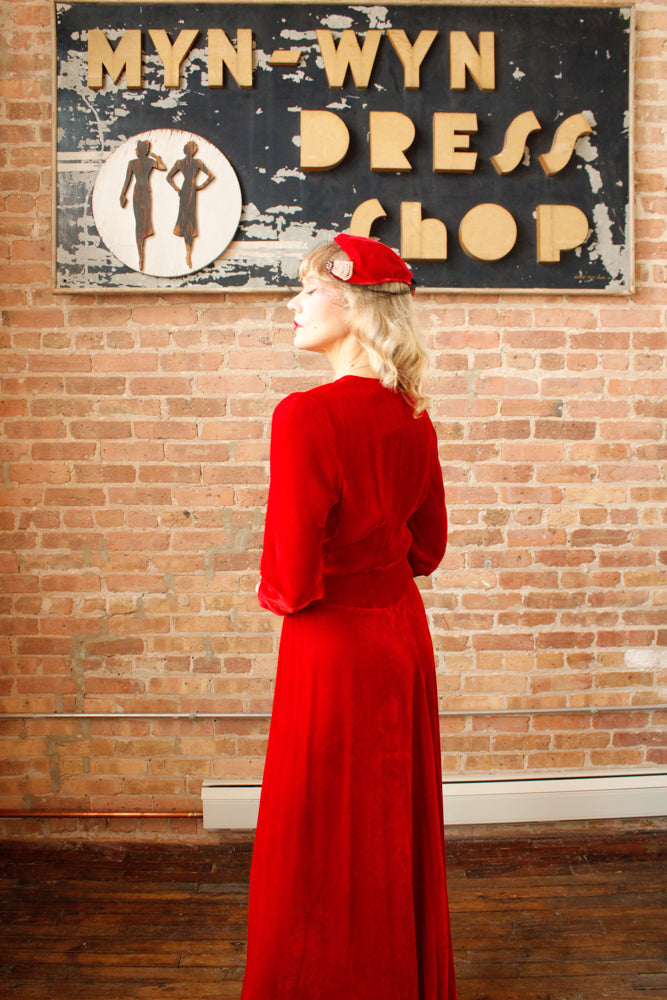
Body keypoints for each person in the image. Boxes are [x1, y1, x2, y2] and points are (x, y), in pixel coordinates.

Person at [241, 233, 456, 1000]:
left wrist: (282, 594)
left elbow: (290, 579)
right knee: (389, 821)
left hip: (330, 640)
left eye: (308, 290)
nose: (291, 306)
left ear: (355, 305)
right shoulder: (412, 416)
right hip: (400, 635)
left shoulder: (305, 416)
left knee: (317, 827)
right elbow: (427, 548)